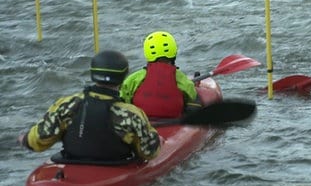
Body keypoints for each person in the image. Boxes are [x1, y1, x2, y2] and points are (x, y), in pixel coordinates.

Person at [18, 50, 161, 163]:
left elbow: (39, 140)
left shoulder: (67, 104)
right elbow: (148, 152)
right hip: (115, 165)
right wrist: (158, 141)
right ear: (124, 77)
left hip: (73, 163)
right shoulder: (132, 114)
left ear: (93, 74)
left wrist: (24, 139)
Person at [120, 31, 202, 118]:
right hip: (173, 121)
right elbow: (192, 95)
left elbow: (123, 96)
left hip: (142, 121)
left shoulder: (135, 78)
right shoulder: (179, 77)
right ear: (173, 52)